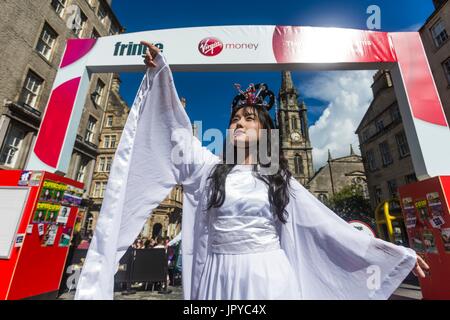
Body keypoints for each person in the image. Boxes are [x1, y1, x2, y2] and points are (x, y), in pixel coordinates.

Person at [75, 41, 429, 300]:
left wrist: (394, 254)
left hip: (266, 278)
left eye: (249, 118)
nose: (240, 122)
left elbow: (328, 227)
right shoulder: (209, 170)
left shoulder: (279, 180)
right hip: (217, 277)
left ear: (265, 133)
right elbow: (174, 131)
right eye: (235, 119)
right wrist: (162, 73)